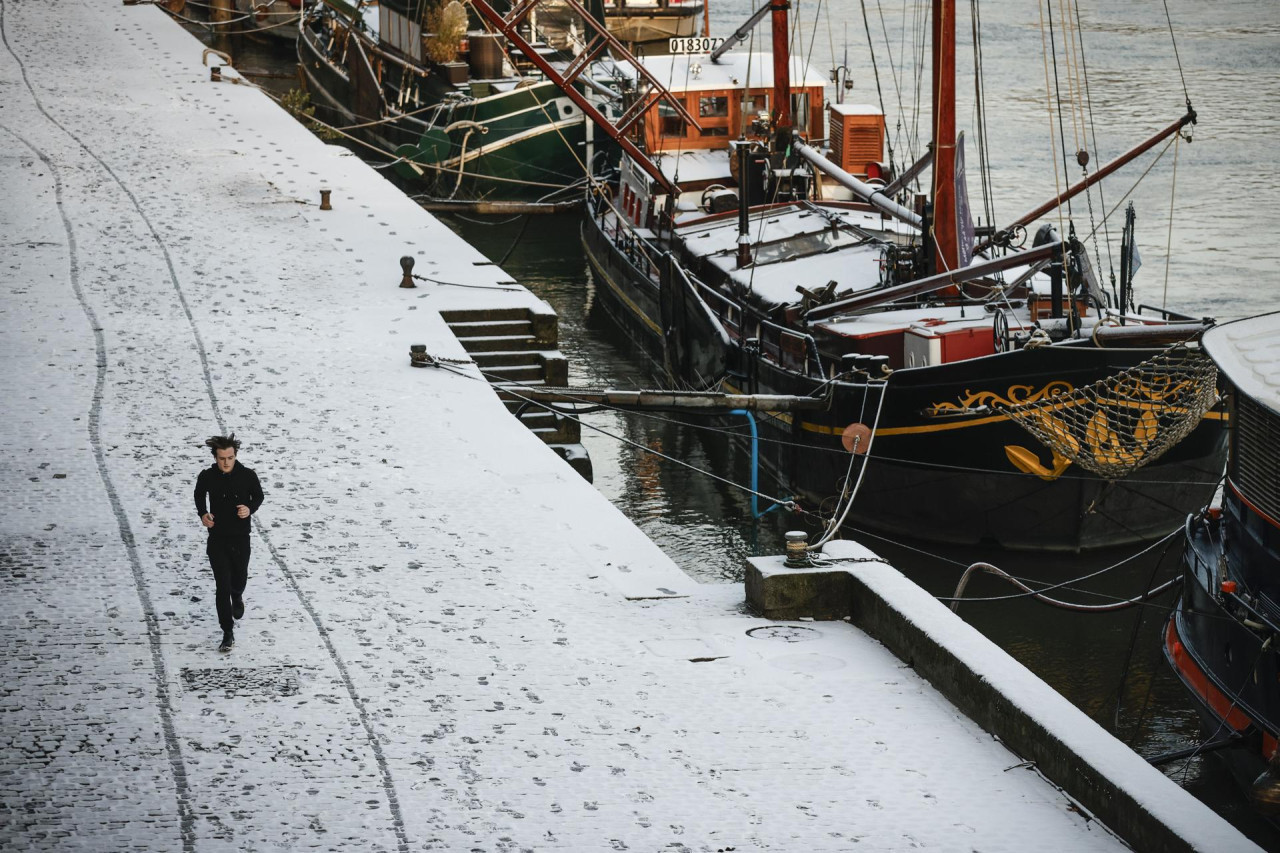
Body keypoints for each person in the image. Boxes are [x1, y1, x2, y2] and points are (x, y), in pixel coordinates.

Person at [193, 434, 265, 652]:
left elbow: (258, 496)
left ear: (235, 456)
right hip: (217, 539)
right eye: (222, 458)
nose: (226, 462)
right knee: (221, 586)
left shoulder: (247, 475)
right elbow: (198, 494)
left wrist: (249, 509)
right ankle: (227, 632)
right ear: (215, 457)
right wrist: (203, 514)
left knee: (239, 578)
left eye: (230, 458)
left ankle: (238, 595)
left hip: (241, 538)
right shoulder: (207, 476)